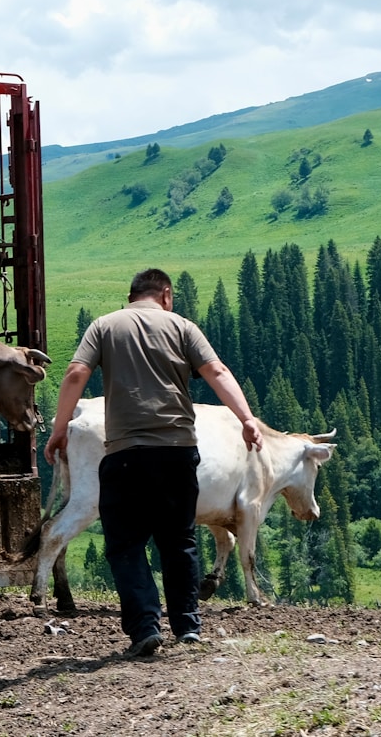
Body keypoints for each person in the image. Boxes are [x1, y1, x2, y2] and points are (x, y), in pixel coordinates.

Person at [43, 269, 262, 658]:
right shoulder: (183, 327)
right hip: (178, 451)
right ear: (166, 294)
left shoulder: (104, 326)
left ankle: (145, 628)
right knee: (179, 541)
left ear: (131, 297)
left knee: (126, 544)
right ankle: (187, 627)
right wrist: (246, 419)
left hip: (125, 453)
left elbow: (76, 372)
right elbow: (217, 371)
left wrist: (60, 430)